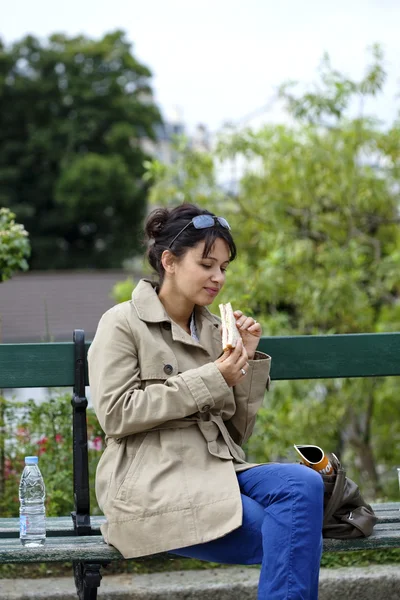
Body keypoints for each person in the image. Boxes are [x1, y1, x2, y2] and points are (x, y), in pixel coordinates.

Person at [88, 203, 324, 600]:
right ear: (170, 261)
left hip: (217, 471)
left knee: (303, 483)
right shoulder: (122, 322)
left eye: (224, 268)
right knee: (292, 533)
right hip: (154, 480)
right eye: (207, 264)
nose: (218, 278)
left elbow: (235, 433)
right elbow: (116, 415)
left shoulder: (216, 330)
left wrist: (245, 359)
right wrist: (213, 376)